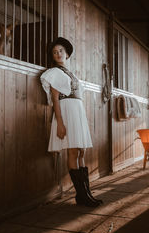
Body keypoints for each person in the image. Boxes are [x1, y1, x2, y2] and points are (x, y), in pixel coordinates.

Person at [40, 37, 102, 207]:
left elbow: (78, 96)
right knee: (73, 152)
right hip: (66, 112)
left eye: (60, 51)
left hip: (77, 112)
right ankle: (81, 195)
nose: (58, 53)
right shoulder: (53, 73)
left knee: (82, 151)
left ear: (67, 54)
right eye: (54, 52)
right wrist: (60, 122)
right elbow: (55, 98)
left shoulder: (72, 74)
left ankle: (86, 194)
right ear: (53, 56)